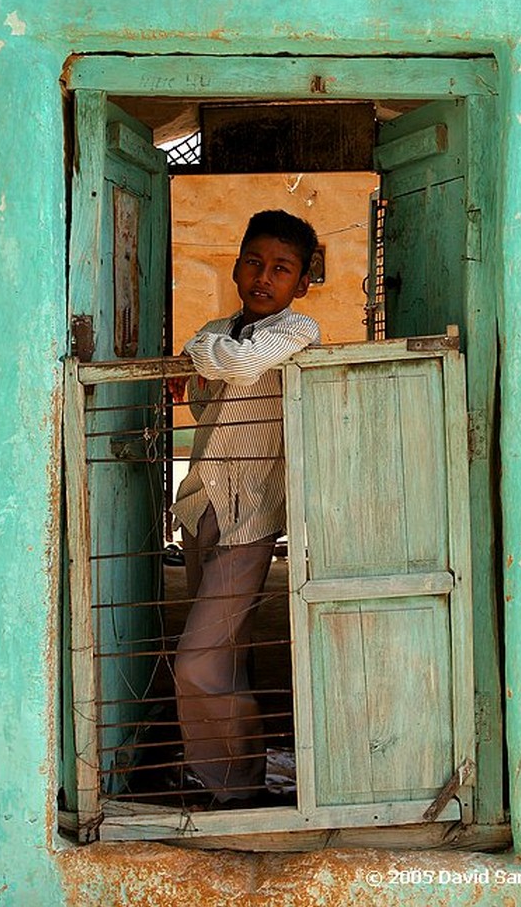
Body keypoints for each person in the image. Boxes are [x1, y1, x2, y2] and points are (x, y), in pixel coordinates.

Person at [169, 209, 320, 808]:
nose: (265, 277)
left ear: (300, 283)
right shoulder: (217, 325)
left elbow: (235, 362)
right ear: (236, 266)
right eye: (254, 262)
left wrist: (200, 350)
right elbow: (204, 400)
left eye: (281, 269)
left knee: (197, 661)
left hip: (249, 518)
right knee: (224, 652)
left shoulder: (297, 331)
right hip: (203, 505)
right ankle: (221, 775)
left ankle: (231, 787)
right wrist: (203, 351)